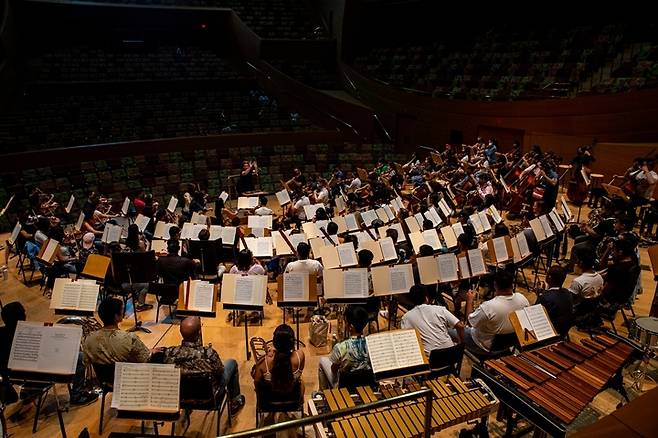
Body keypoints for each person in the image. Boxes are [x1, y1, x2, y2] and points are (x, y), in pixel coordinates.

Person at [162, 317, 245, 414]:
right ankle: (235, 401)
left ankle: (188, 408)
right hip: (209, 398)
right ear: (199, 333)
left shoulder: (170, 353)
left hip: (182, 398)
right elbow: (220, 371)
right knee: (232, 363)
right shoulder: (208, 353)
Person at [459, 270, 529, 356]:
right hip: (508, 345)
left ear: (495, 285)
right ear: (512, 284)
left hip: (484, 346)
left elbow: (470, 322)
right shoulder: (523, 299)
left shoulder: (489, 307)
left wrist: (469, 300)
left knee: (451, 330)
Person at [84, 298, 157, 365]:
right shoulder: (130, 338)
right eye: (122, 310)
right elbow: (146, 359)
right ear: (116, 317)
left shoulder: (89, 339)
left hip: (100, 378)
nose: (124, 312)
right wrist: (151, 352)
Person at [401, 285, 464, 356]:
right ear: (426, 298)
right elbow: (460, 326)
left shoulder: (406, 317)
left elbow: (407, 341)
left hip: (432, 360)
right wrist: (460, 343)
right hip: (452, 355)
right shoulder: (440, 309)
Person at [319, 306, 371, 389]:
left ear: (351, 327)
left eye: (346, 322)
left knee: (322, 361)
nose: (345, 324)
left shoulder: (340, 347)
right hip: (366, 383)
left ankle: (323, 394)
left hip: (345, 386)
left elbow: (334, 370)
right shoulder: (371, 343)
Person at [252, 324, 305, 395]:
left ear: (274, 343)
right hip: (293, 402)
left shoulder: (264, 362)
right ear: (292, 343)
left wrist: (268, 354)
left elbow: (257, 383)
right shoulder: (300, 356)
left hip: (270, 404)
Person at [535, 266, 574, 337]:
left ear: (549, 277)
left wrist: (540, 296)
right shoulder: (567, 292)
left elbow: (535, 313)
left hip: (551, 332)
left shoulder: (544, 297)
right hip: (565, 329)